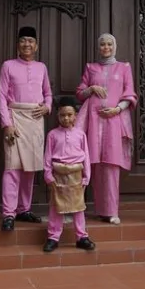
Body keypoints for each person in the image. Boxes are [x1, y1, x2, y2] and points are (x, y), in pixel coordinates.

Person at [75, 33, 137, 225]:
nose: (106, 47)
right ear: (98, 47)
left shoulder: (124, 67)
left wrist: (117, 109)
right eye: (102, 44)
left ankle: (112, 211)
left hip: (114, 120)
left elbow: (130, 94)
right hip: (94, 121)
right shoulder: (91, 68)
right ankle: (100, 209)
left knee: (111, 165)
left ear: (115, 46)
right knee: (95, 165)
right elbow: (80, 93)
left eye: (110, 44)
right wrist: (92, 88)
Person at [0, 26, 53, 231]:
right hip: (15, 118)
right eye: (23, 40)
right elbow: (1, 96)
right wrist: (7, 124)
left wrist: (47, 107)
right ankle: (8, 213)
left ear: (36, 46)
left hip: (35, 120)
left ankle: (24, 209)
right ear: (17, 44)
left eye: (30, 41)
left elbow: (48, 93)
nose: (26, 44)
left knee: (30, 169)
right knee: (12, 167)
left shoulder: (42, 67)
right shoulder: (8, 65)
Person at [42, 96, 96, 253]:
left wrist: (86, 176)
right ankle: (53, 237)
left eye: (69, 115)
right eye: (62, 115)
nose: (66, 118)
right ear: (58, 116)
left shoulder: (80, 134)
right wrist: (48, 175)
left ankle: (81, 237)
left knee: (78, 207)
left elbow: (86, 156)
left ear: (75, 116)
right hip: (58, 175)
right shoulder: (52, 135)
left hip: (76, 175)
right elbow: (47, 156)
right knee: (56, 206)